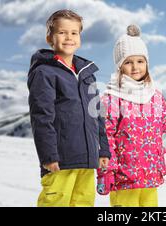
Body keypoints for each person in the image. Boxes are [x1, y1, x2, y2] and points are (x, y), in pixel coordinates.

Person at [97, 25, 166, 207]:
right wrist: (106, 171)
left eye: (140, 61)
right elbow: (105, 136)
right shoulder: (112, 98)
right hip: (125, 177)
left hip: (150, 174)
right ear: (120, 66)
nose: (135, 67)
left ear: (147, 63)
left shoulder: (155, 95)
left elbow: (165, 122)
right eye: (128, 62)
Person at [27, 9, 110, 207]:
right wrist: (48, 156)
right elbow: (41, 117)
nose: (68, 37)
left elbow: (96, 113)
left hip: (87, 159)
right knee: (55, 202)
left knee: (83, 203)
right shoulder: (44, 72)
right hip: (60, 160)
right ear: (50, 37)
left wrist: (103, 150)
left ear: (80, 37)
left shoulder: (87, 73)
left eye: (74, 33)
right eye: (62, 32)